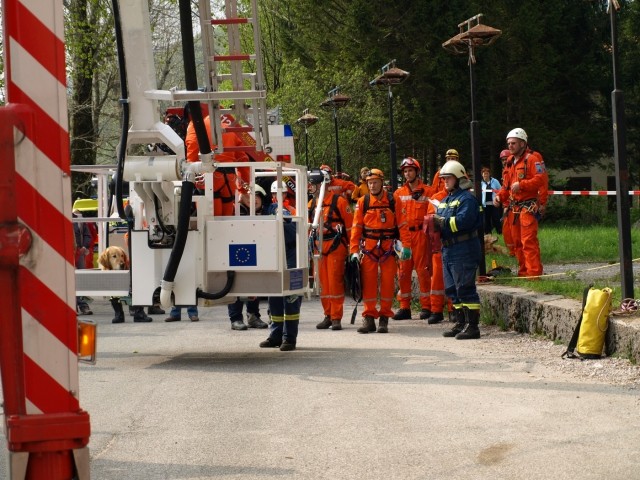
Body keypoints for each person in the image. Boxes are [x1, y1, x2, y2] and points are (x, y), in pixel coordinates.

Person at [429, 160, 483, 340]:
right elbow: (440, 220)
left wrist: (441, 222)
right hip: (449, 249)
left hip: (464, 248)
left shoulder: (467, 199)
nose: (445, 181)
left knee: (465, 287)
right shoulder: (446, 200)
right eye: (444, 178)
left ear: (459, 179)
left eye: (448, 178)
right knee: (452, 289)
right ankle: (461, 323)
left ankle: (473, 326)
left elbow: (463, 221)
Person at [349, 168, 398, 334]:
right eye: (369, 183)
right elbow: (356, 227)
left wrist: (405, 246)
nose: (372, 185)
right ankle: (369, 318)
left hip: (388, 247)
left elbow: (403, 225)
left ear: (381, 183)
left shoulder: (393, 200)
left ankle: (384, 318)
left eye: (375, 182)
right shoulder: (363, 202)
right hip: (369, 247)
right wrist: (354, 250)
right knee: (368, 283)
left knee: (387, 283)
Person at [494, 128, 546, 277]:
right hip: (514, 208)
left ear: (523, 143)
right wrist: (499, 197)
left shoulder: (533, 159)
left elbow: (541, 179)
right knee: (517, 243)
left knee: (528, 242)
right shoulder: (510, 162)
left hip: (528, 207)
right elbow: (506, 186)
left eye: (513, 143)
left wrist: (522, 185)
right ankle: (523, 272)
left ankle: (534, 275)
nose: (510, 146)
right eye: (508, 143)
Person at [259, 181, 301, 351]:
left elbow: (294, 233)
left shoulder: (290, 210)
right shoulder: (266, 210)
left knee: (290, 299)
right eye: (275, 194)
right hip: (274, 255)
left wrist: (282, 219)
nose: (278, 197)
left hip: (291, 255)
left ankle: (289, 338)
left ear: (286, 194)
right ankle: (275, 335)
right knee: (274, 298)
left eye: (281, 193)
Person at [393, 157, 436, 321]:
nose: (407, 173)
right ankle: (405, 307)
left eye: (410, 170)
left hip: (421, 235)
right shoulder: (398, 193)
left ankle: (426, 306)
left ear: (417, 172)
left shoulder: (428, 192)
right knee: (403, 272)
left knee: (423, 271)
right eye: (405, 171)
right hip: (404, 237)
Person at [309, 173, 353, 331]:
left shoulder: (339, 201)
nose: (310, 187)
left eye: (313, 184)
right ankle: (327, 315)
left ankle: (336, 317)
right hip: (318, 247)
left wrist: (352, 249)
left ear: (322, 185)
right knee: (322, 283)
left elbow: (350, 227)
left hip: (335, 245)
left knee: (335, 282)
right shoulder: (312, 203)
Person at [422, 148, 461, 324]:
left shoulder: (461, 196)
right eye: (443, 179)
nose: (445, 181)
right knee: (437, 278)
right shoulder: (436, 197)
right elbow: (431, 218)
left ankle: (454, 309)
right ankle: (436, 310)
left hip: (455, 244)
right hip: (439, 245)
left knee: (454, 278)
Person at [185, 114, 250, 216]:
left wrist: (190, 179)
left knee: (209, 222)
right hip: (229, 180)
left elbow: (192, 152)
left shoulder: (195, 126)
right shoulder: (229, 129)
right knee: (226, 221)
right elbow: (243, 160)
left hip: (208, 178)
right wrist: (243, 190)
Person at [228, 184, 268, 330]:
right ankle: (236, 319)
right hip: (237, 252)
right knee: (235, 286)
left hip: (258, 253)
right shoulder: (235, 211)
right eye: (250, 197)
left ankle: (253, 316)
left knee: (255, 285)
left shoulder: (267, 213)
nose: (254, 200)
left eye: (257, 197)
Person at [73, 209, 93, 315]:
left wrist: (84, 247)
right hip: (65, 254)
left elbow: (87, 235)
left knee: (81, 280)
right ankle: (75, 306)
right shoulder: (59, 217)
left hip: (79, 253)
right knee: (69, 281)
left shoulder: (79, 220)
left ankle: (82, 305)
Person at [480, 166, 502, 234]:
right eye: (484, 173)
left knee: (496, 219)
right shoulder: (481, 183)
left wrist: (499, 199)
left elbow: (500, 190)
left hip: (494, 203)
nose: (485, 175)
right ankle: (488, 233)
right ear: (482, 174)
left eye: (487, 173)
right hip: (485, 205)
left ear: (489, 174)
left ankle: (499, 231)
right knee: (486, 220)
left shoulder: (495, 181)